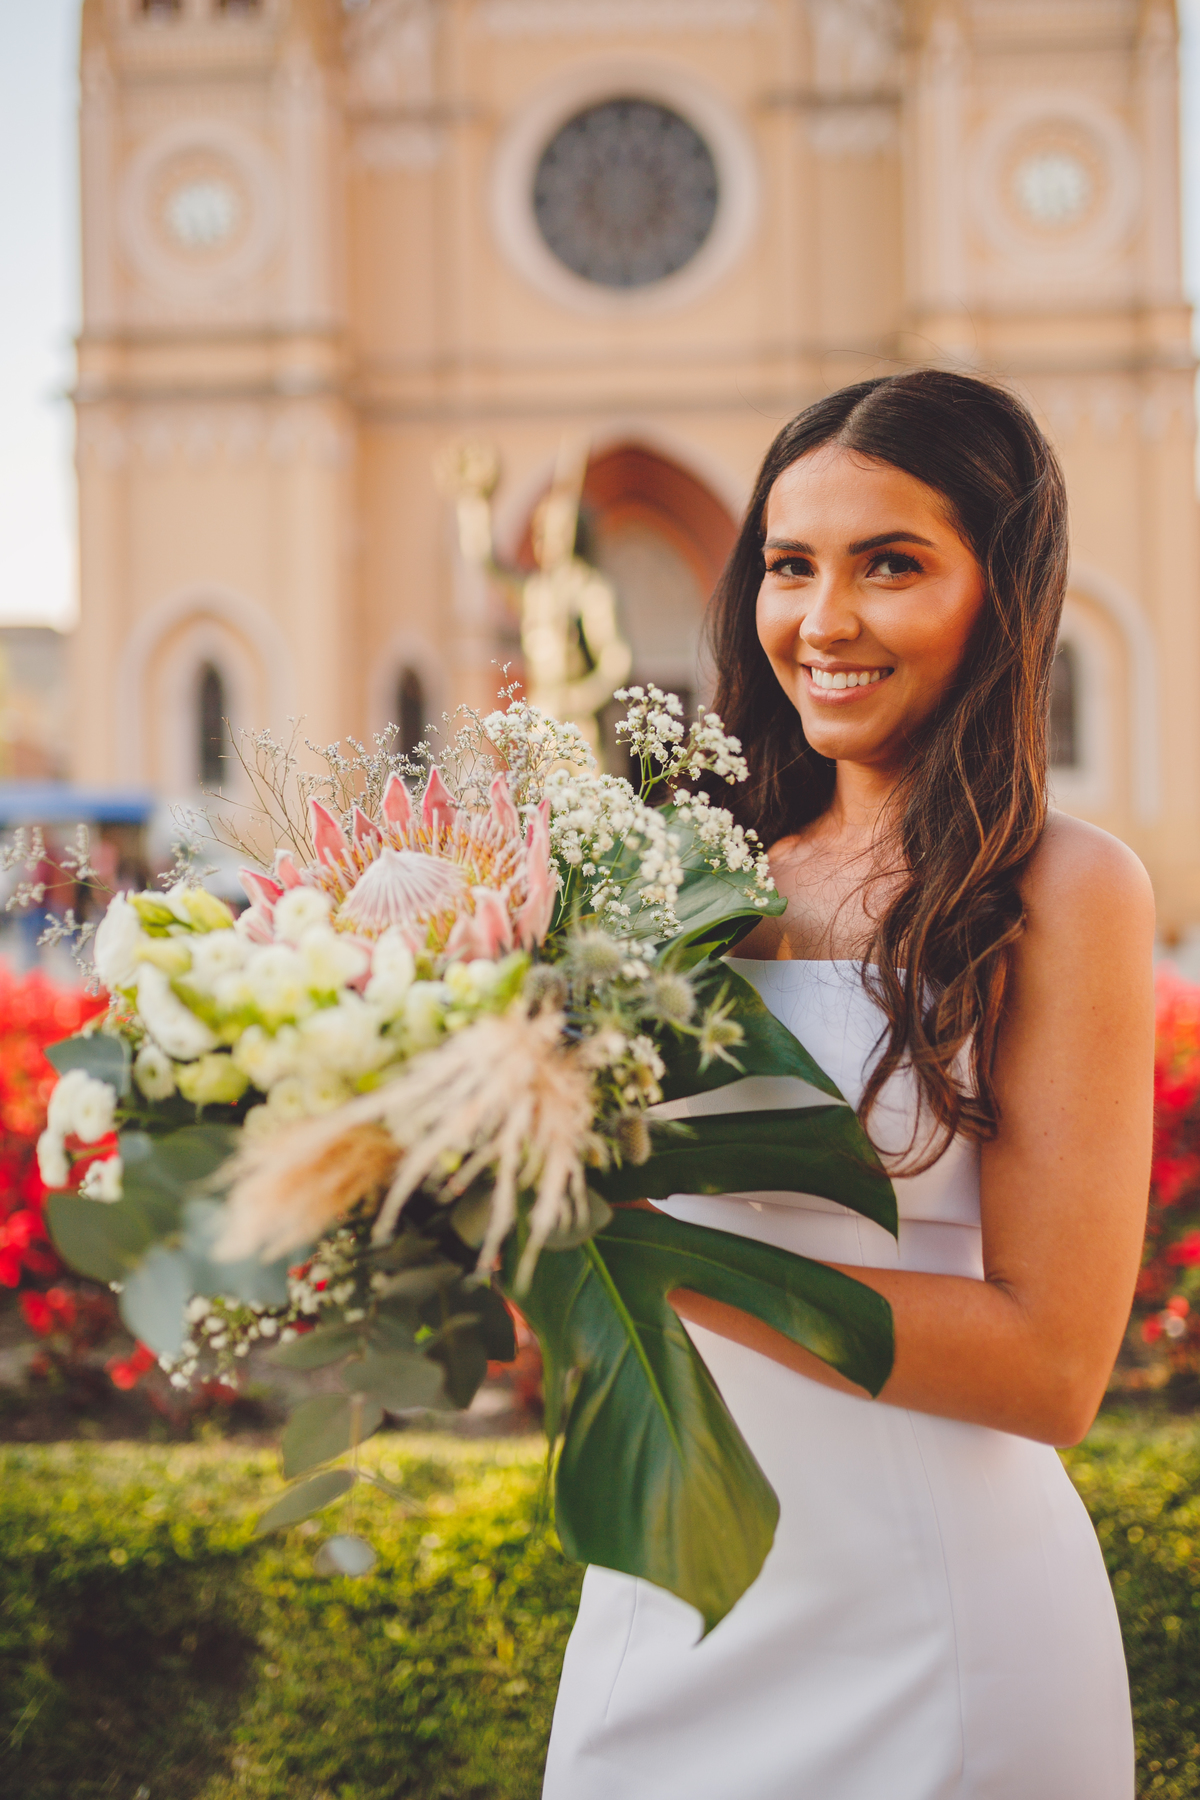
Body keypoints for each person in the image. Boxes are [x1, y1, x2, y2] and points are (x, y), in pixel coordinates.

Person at [542, 370, 1153, 1799]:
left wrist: (648, 1261)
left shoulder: (1065, 888)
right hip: (671, 1588)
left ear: (1002, 591)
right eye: (789, 565)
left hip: (943, 1624)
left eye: (891, 565)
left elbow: (1055, 1369)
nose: (823, 621)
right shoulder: (669, 878)